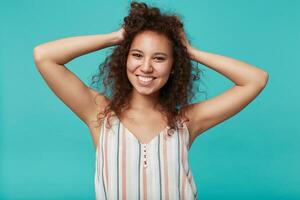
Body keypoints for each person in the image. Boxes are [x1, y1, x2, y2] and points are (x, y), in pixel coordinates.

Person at [33, 1, 268, 199]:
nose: (145, 67)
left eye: (159, 58)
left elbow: (256, 79)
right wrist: (115, 37)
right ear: (124, 59)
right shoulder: (100, 114)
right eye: (136, 55)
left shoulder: (186, 121)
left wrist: (189, 51)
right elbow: (44, 56)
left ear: (174, 66)